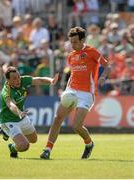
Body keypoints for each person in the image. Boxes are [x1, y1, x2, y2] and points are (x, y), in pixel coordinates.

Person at [40, 26, 111, 159]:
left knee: (76, 126)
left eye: (75, 42)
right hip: (71, 90)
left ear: (83, 40)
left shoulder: (92, 52)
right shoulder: (71, 56)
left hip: (86, 94)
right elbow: (73, 74)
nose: (73, 45)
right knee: (57, 119)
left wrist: (102, 77)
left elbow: (108, 66)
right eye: (71, 42)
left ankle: (89, 144)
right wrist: (66, 90)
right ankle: (47, 150)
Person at [0, 65, 59, 158]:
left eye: (18, 76)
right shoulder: (6, 91)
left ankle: (11, 139)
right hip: (9, 120)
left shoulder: (23, 80)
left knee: (34, 140)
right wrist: (18, 112)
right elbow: (11, 104)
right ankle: (13, 147)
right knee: (24, 146)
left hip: (22, 117)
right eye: (14, 78)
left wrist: (50, 80)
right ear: (8, 80)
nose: (18, 80)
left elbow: (38, 80)